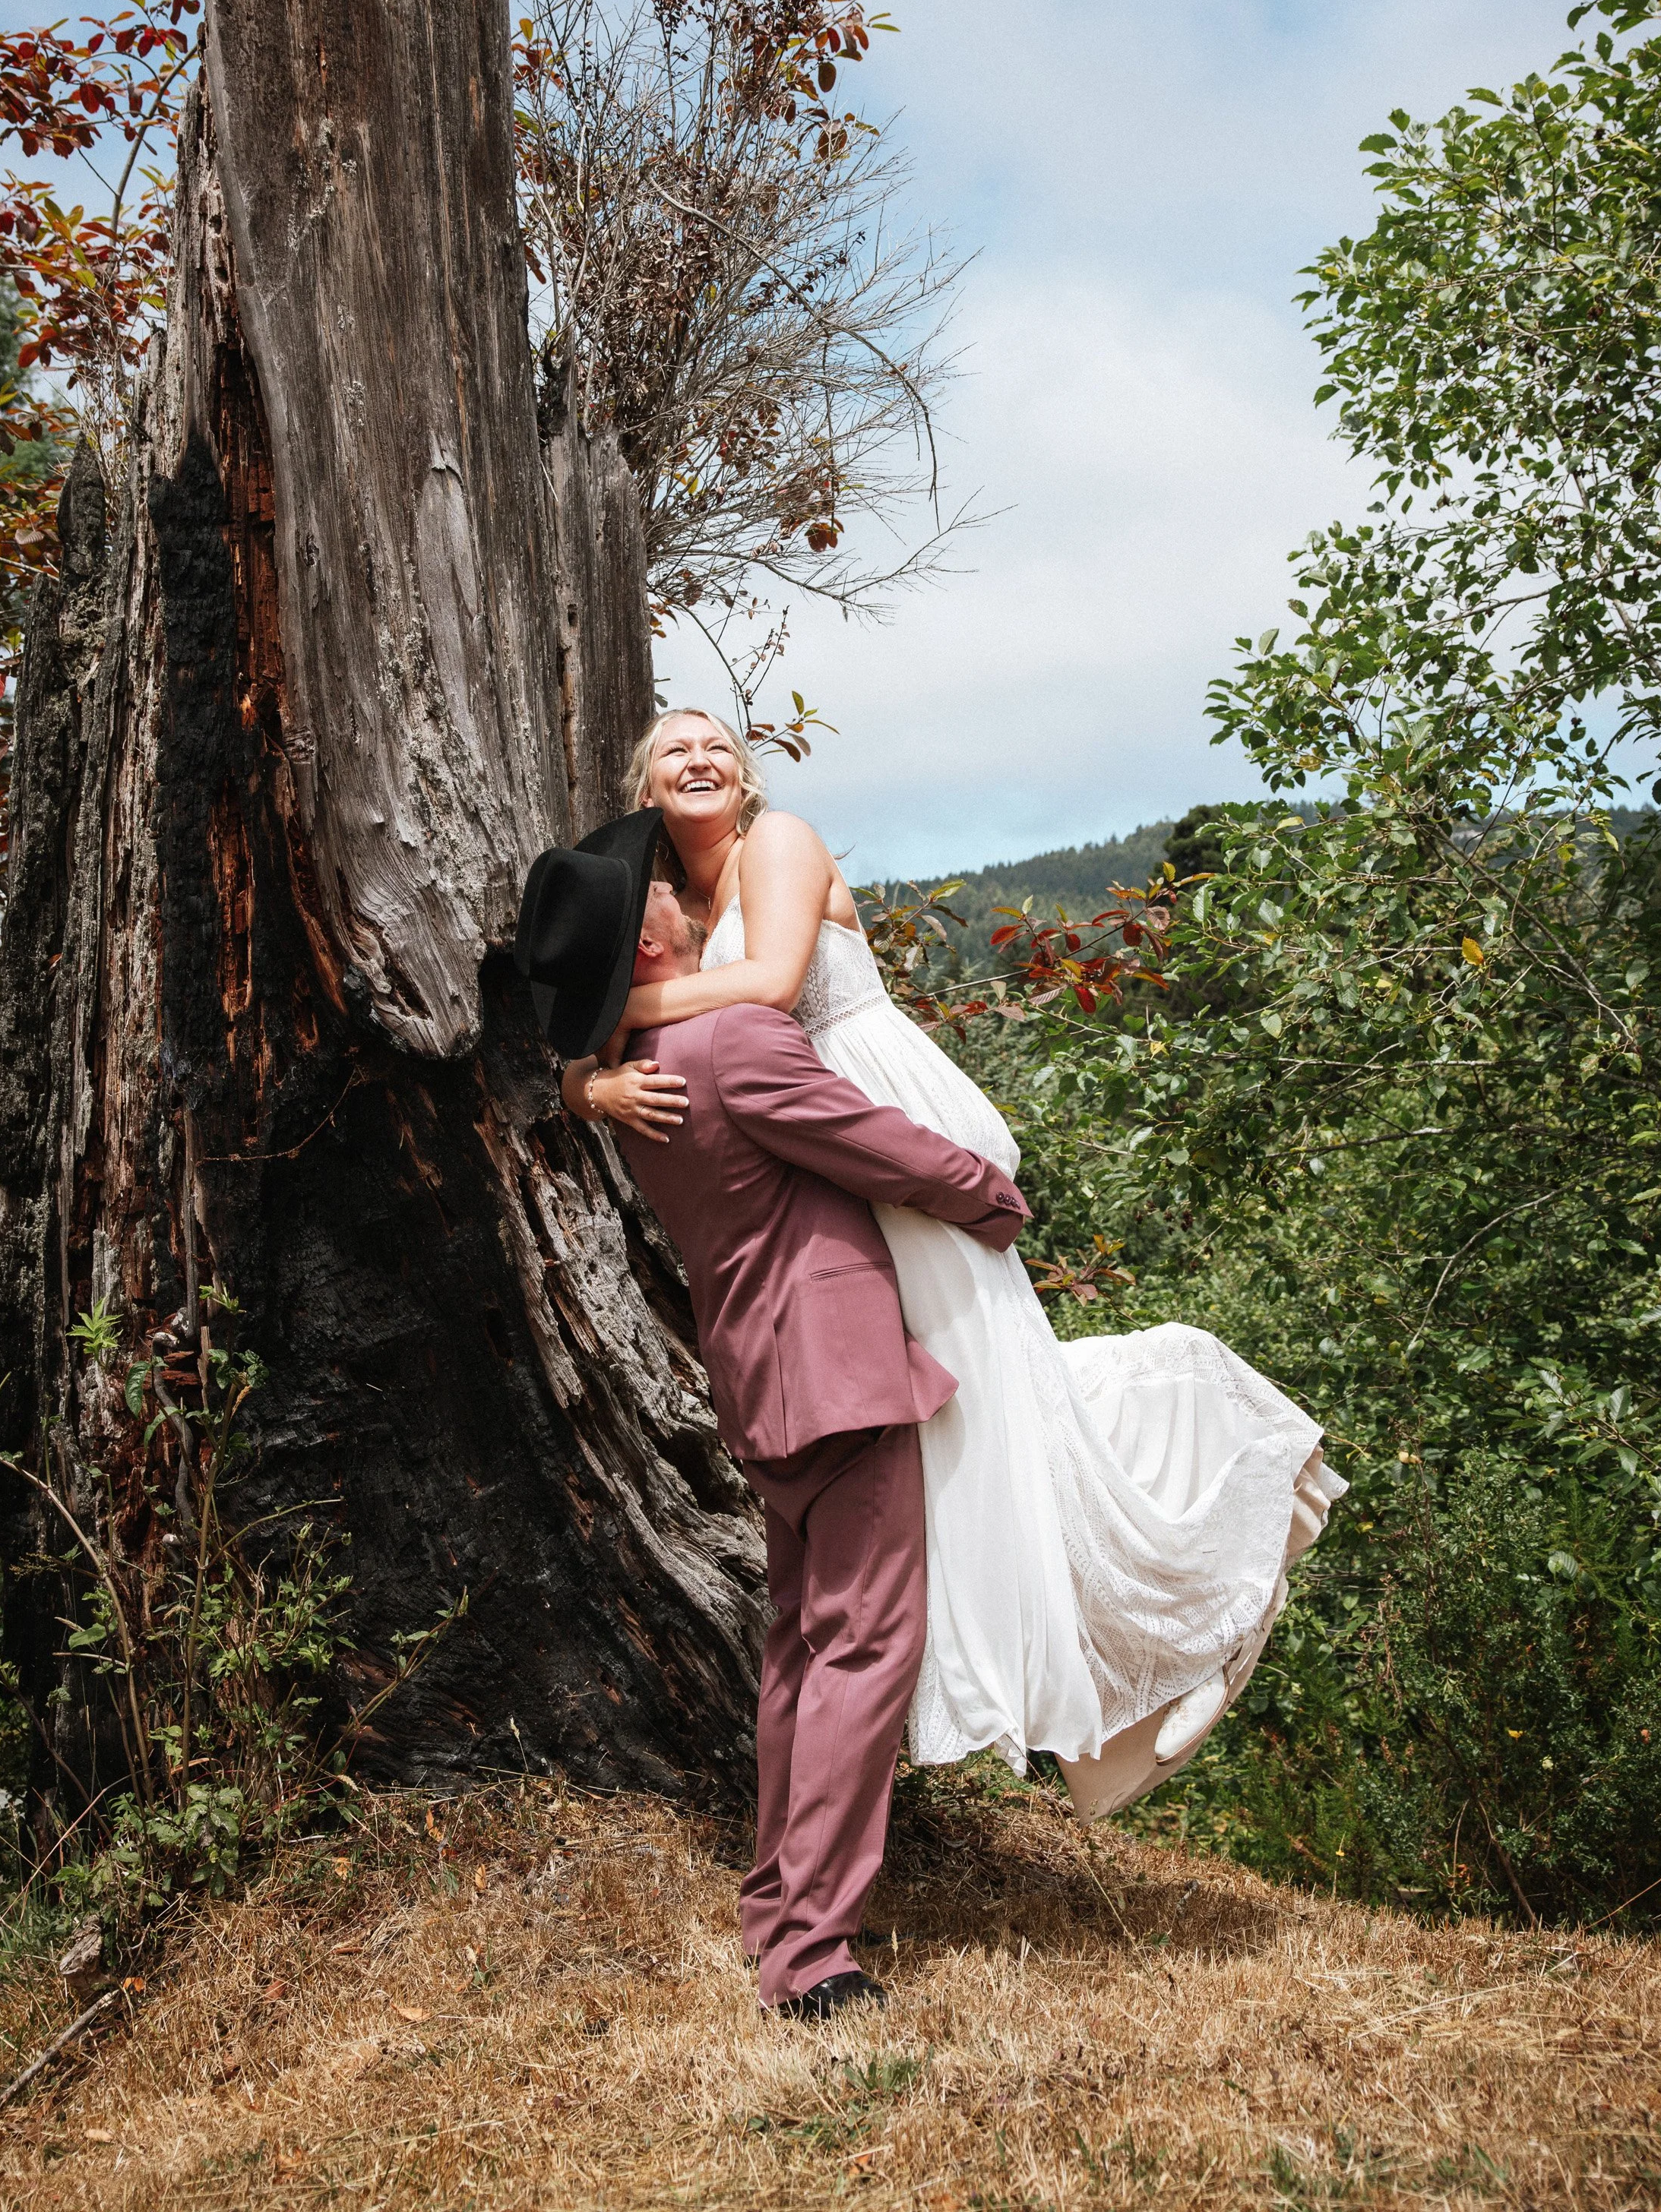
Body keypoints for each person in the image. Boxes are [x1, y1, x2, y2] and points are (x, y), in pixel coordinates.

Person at [563, 710, 1345, 1818]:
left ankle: (1166, 1609)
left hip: (869, 1117)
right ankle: (1069, 1708)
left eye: (718, 748)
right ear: (645, 784)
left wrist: (615, 1016)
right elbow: (584, 1043)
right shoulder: (671, 908)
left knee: (985, 1401)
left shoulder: (777, 845)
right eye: (673, 751)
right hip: (799, 1155)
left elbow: (776, 984)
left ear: (743, 779)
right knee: (939, 1438)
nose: (699, 760)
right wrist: (586, 1085)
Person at [519, 810, 1030, 2018]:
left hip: (760, 1377)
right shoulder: (738, 1041)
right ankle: (812, 1955)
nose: (676, 896)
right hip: (836, 1368)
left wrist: (584, 1072)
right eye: (654, 896)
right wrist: (990, 1195)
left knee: (803, 1647)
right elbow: (871, 1144)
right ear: (648, 940)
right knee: (864, 1646)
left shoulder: (638, 1084)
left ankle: (774, 1906)